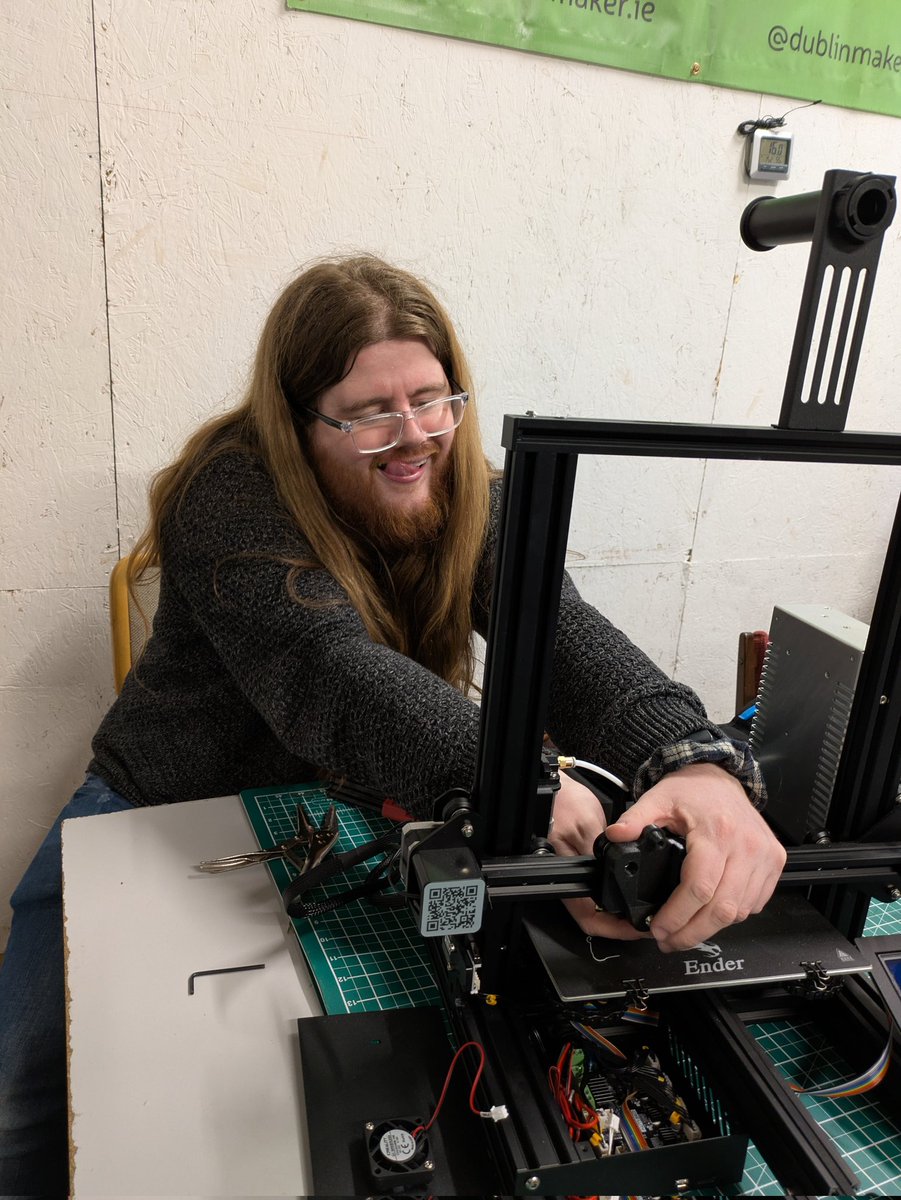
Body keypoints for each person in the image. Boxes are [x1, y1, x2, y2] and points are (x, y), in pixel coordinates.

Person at [0, 254, 785, 1195]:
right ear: (299, 420)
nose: (411, 436)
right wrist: (514, 784)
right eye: (369, 410)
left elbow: (565, 636)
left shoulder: (465, 487)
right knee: (29, 1098)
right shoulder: (226, 492)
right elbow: (327, 669)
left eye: (431, 399)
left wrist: (696, 765)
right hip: (160, 807)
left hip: (348, 806)